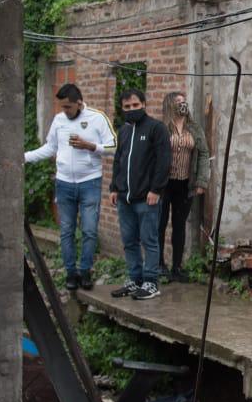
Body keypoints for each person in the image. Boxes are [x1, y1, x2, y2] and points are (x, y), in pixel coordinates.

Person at [24, 84, 116, 291]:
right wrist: (24, 157)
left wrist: (90, 146)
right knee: (66, 231)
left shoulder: (97, 118)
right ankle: (70, 273)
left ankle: (85, 271)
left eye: (68, 107)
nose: (64, 111)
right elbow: (50, 147)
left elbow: (113, 147)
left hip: (90, 182)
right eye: (62, 107)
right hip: (64, 183)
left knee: (90, 230)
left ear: (79, 103)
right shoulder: (59, 120)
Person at [109, 88, 171, 301]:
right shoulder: (124, 131)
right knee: (129, 241)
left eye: (135, 105)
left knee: (149, 240)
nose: (131, 109)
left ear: (144, 104)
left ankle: (151, 282)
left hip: (147, 198)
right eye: (127, 107)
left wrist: (156, 189)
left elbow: (164, 162)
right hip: (125, 199)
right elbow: (118, 160)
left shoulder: (156, 128)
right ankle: (134, 279)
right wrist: (114, 188)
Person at [158, 91, 211, 283]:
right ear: (170, 105)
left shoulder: (194, 128)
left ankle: (177, 267)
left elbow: (204, 154)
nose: (183, 104)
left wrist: (201, 182)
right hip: (163, 185)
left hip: (185, 184)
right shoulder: (162, 128)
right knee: (160, 224)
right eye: (178, 101)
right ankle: (159, 265)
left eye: (184, 101)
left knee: (179, 226)